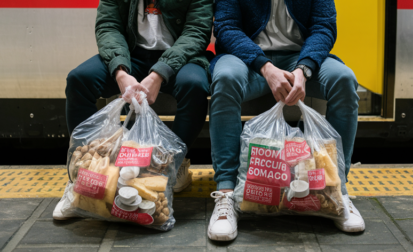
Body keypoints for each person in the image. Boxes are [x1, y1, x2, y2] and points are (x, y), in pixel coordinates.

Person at [207, 0, 364, 241]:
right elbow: (227, 27)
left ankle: (337, 191)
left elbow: (324, 27)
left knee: (343, 79)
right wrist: (265, 67)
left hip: (299, 59)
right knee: (225, 78)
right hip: (249, 61)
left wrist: (304, 68)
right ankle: (226, 192)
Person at [53, 0, 213, 220]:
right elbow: (108, 25)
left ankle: (173, 165)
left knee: (194, 85)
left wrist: (159, 74)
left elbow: (197, 31)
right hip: (130, 55)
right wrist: (120, 71)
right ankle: (83, 178)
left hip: (179, 59)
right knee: (79, 80)